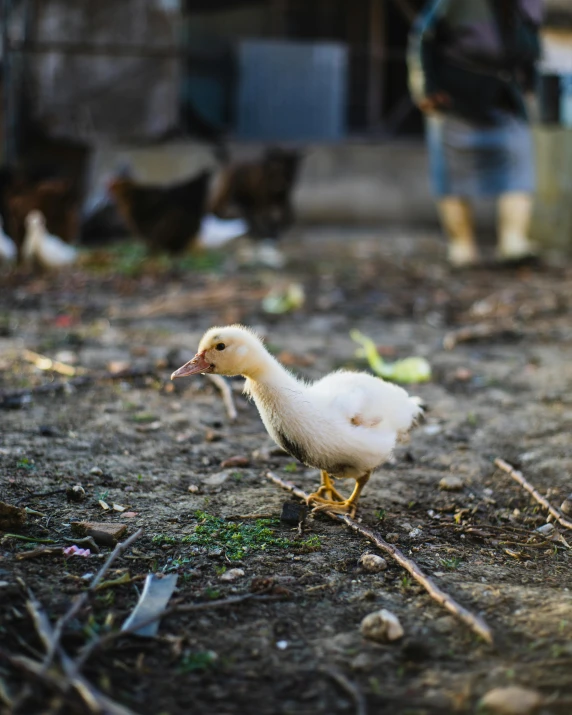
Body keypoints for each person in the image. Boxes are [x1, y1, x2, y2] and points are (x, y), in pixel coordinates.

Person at [408, 0, 544, 267]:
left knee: (518, 164)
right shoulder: (454, 4)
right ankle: (462, 246)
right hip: (454, 100)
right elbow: (424, 38)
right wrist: (426, 87)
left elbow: (531, 48)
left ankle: (513, 241)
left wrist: (529, 85)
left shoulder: (528, 7)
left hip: (504, 98)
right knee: (452, 174)